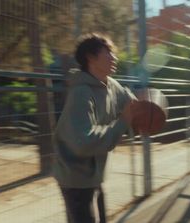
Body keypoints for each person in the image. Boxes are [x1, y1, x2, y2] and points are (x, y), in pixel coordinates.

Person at [52, 33, 139, 223]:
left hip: (94, 175)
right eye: (108, 52)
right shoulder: (81, 94)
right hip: (74, 178)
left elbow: (132, 105)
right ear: (90, 58)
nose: (114, 57)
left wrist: (144, 108)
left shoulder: (111, 86)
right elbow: (84, 143)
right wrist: (123, 122)